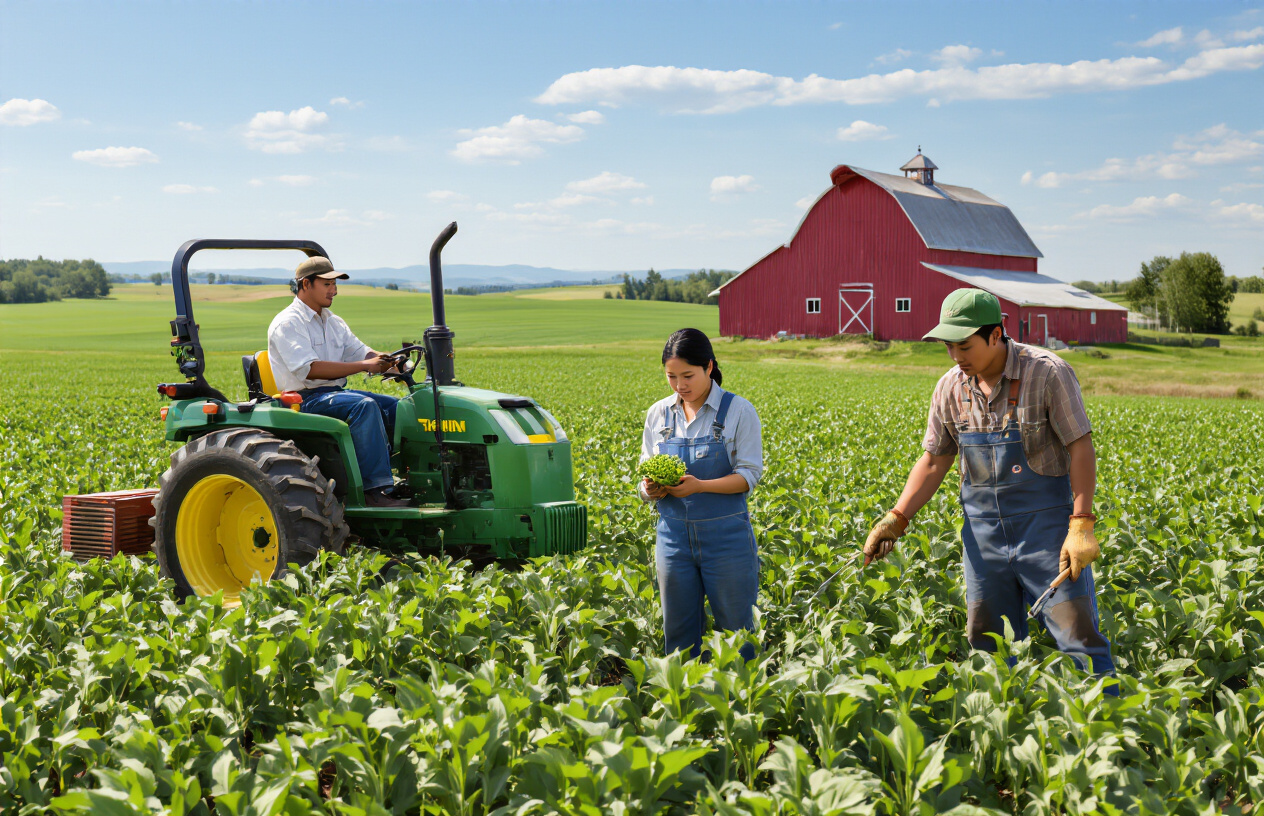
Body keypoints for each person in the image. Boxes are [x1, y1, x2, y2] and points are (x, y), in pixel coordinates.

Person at [864, 289, 1115, 682]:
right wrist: (897, 518)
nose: (955, 357)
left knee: (1078, 637)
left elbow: (1080, 447)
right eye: (949, 347)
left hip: (1047, 534)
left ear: (997, 334)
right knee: (987, 644)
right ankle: (1001, 732)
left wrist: (1081, 523)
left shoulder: (1047, 372)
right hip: (983, 539)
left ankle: (1104, 730)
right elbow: (934, 460)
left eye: (964, 346)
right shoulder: (950, 388)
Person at [639, 328, 763, 661]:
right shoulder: (659, 415)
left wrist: (701, 486)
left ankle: (741, 706)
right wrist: (650, 489)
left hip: (727, 540)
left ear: (709, 367)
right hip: (672, 539)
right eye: (671, 376)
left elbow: (749, 476)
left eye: (688, 375)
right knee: (677, 632)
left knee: (738, 633)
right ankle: (686, 704)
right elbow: (643, 475)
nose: (680, 385)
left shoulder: (738, 411)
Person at [267, 256, 408, 508]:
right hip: (302, 400)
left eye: (335, 284)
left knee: (395, 406)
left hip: (330, 394)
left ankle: (406, 477)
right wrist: (366, 366)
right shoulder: (288, 323)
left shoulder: (333, 322)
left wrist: (391, 361)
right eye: (327, 284)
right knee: (362, 406)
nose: (334, 290)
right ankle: (373, 490)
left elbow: (361, 352)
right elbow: (309, 370)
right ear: (306, 284)